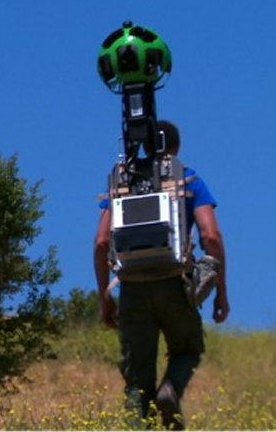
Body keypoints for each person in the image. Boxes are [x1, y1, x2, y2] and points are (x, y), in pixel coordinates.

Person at [93, 120, 229, 430]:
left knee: (137, 381)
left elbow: (101, 242)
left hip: (132, 289)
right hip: (176, 284)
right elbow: (211, 236)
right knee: (187, 350)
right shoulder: (188, 180)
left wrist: (105, 299)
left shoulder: (122, 183)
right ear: (176, 147)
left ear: (143, 144)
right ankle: (170, 390)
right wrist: (220, 292)